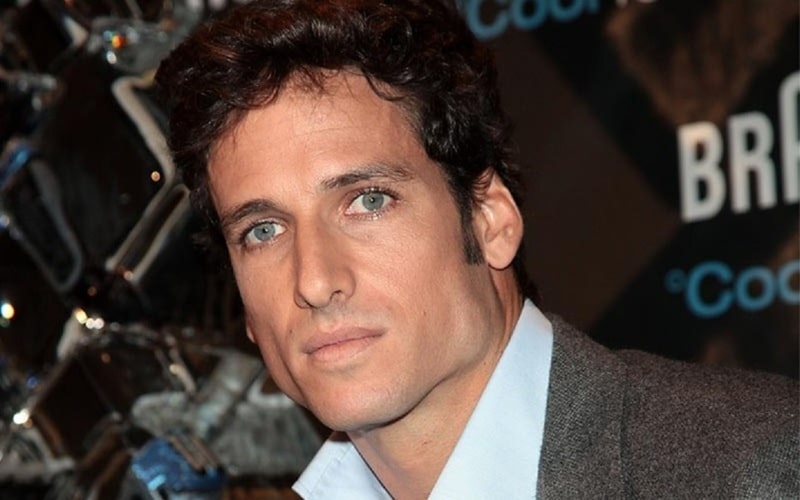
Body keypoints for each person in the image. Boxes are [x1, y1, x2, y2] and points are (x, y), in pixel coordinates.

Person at [155, 1, 799, 498]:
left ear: (490, 219)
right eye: (263, 231)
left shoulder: (755, 467)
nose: (315, 281)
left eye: (368, 200)